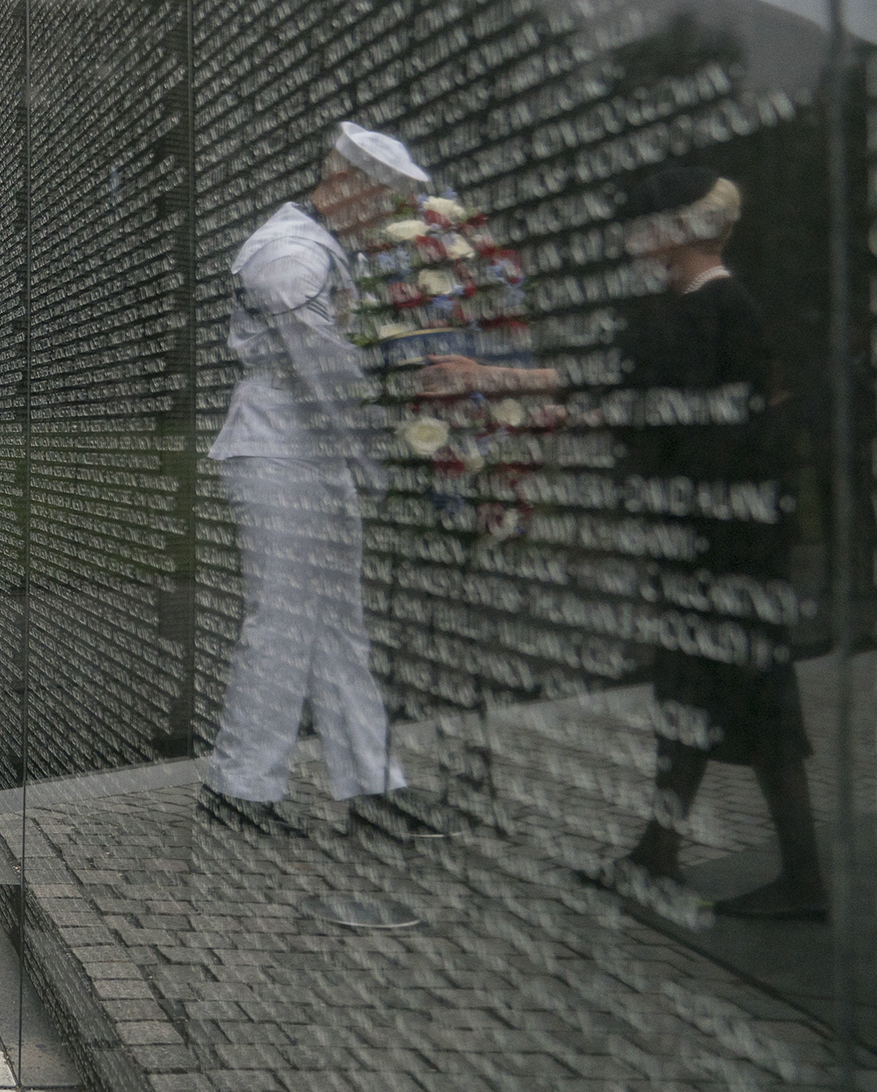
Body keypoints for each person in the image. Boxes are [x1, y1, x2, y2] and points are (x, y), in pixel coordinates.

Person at [426, 168, 822, 920]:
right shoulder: (713, 309)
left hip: (720, 545)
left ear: (673, 231)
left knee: (746, 703)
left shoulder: (705, 310)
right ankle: (662, 851)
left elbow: (614, 385)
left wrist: (489, 376)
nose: (635, 245)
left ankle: (789, 877)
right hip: (722, 539)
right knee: (698, 694)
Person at [201, 123, 415, 835]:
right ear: (347, 182)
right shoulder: (290, 254)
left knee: (338, 627)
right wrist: (381, 451)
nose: (385, 217)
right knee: (285, 621)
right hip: (280, 450)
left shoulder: (319, 250)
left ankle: (371, 783)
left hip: (313, 454)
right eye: (382, 200)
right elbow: (325, 372)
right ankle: (241, 786)